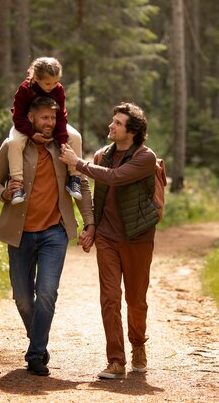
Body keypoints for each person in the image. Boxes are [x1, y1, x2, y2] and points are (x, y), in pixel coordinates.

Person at [0, 96, 95, 376]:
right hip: (19, 233)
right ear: (31, 118)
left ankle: (35, 354)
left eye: (53, 118)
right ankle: (39, 341)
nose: (49, 123)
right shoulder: (14, 146)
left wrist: (89, 222)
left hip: (54, 233)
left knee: (47, 293)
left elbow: (81, 182)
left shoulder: (64, 146)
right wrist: (5, 193)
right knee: (22, 297)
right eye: (44, 117)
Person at [59, 102, 159, 379]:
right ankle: (116, 360)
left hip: (138, 237)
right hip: (107, 237)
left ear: (133, 130)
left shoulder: (145, 157)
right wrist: (91, 226)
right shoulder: (102, 154)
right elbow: (98, 192)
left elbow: (115, 178)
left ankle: (138, 345)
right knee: (110, 298)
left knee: (136, 300)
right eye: (112, 120)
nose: (110, 126)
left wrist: (77, 164)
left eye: (117, 123)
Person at [8, 56, 84, 204]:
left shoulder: (58, 89)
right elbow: (17, 118)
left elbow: (61, 116)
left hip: (53, 121)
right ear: (36, 78)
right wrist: (31, 134)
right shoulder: (25, 89)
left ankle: (74, 178)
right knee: (14, 142)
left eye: (55, 82)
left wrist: (62, 140)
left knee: (75, 137)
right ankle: (17, 184)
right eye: (48, 83)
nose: (52, 86)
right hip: (26, 124)